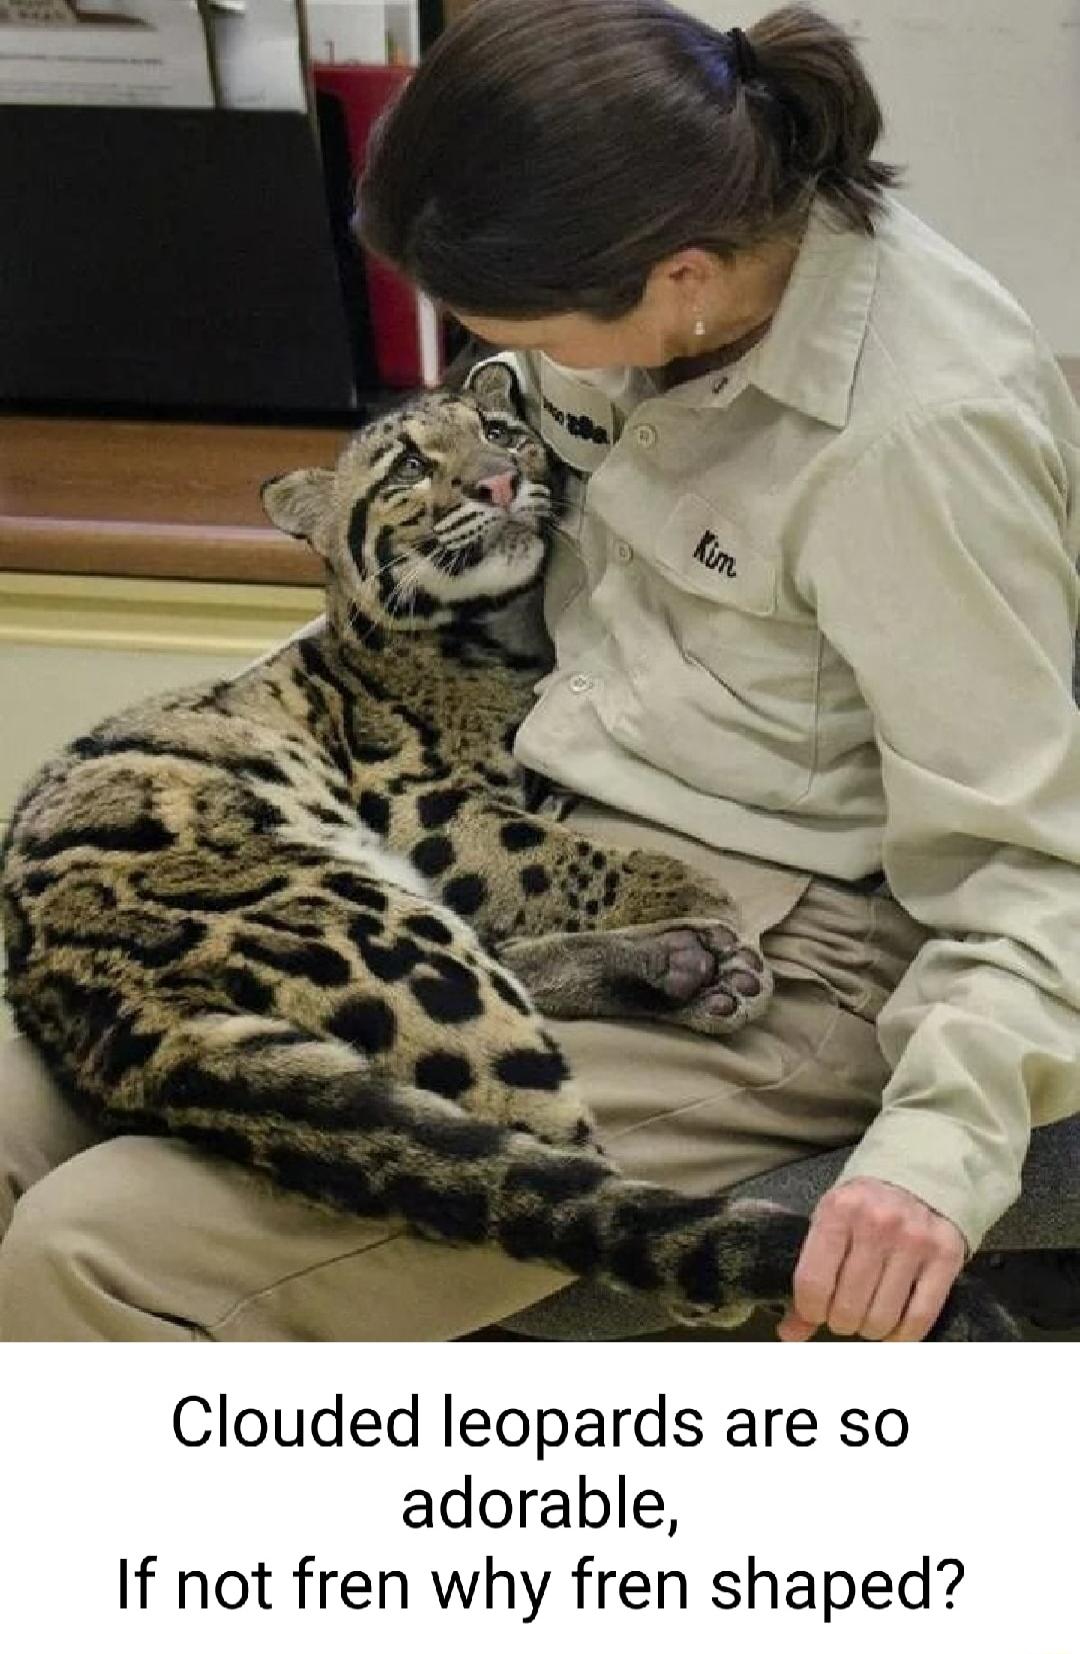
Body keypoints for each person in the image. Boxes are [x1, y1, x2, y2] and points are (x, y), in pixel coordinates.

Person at [0, 0, 1078, 1342]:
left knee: (93, 1252)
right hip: (537, 832)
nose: (514, 377)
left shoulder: (914, 445)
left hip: (789, 949)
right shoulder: (673, 258)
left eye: (538, 335)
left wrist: (934, 1159)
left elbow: (1031, 867)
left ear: (679, 278)